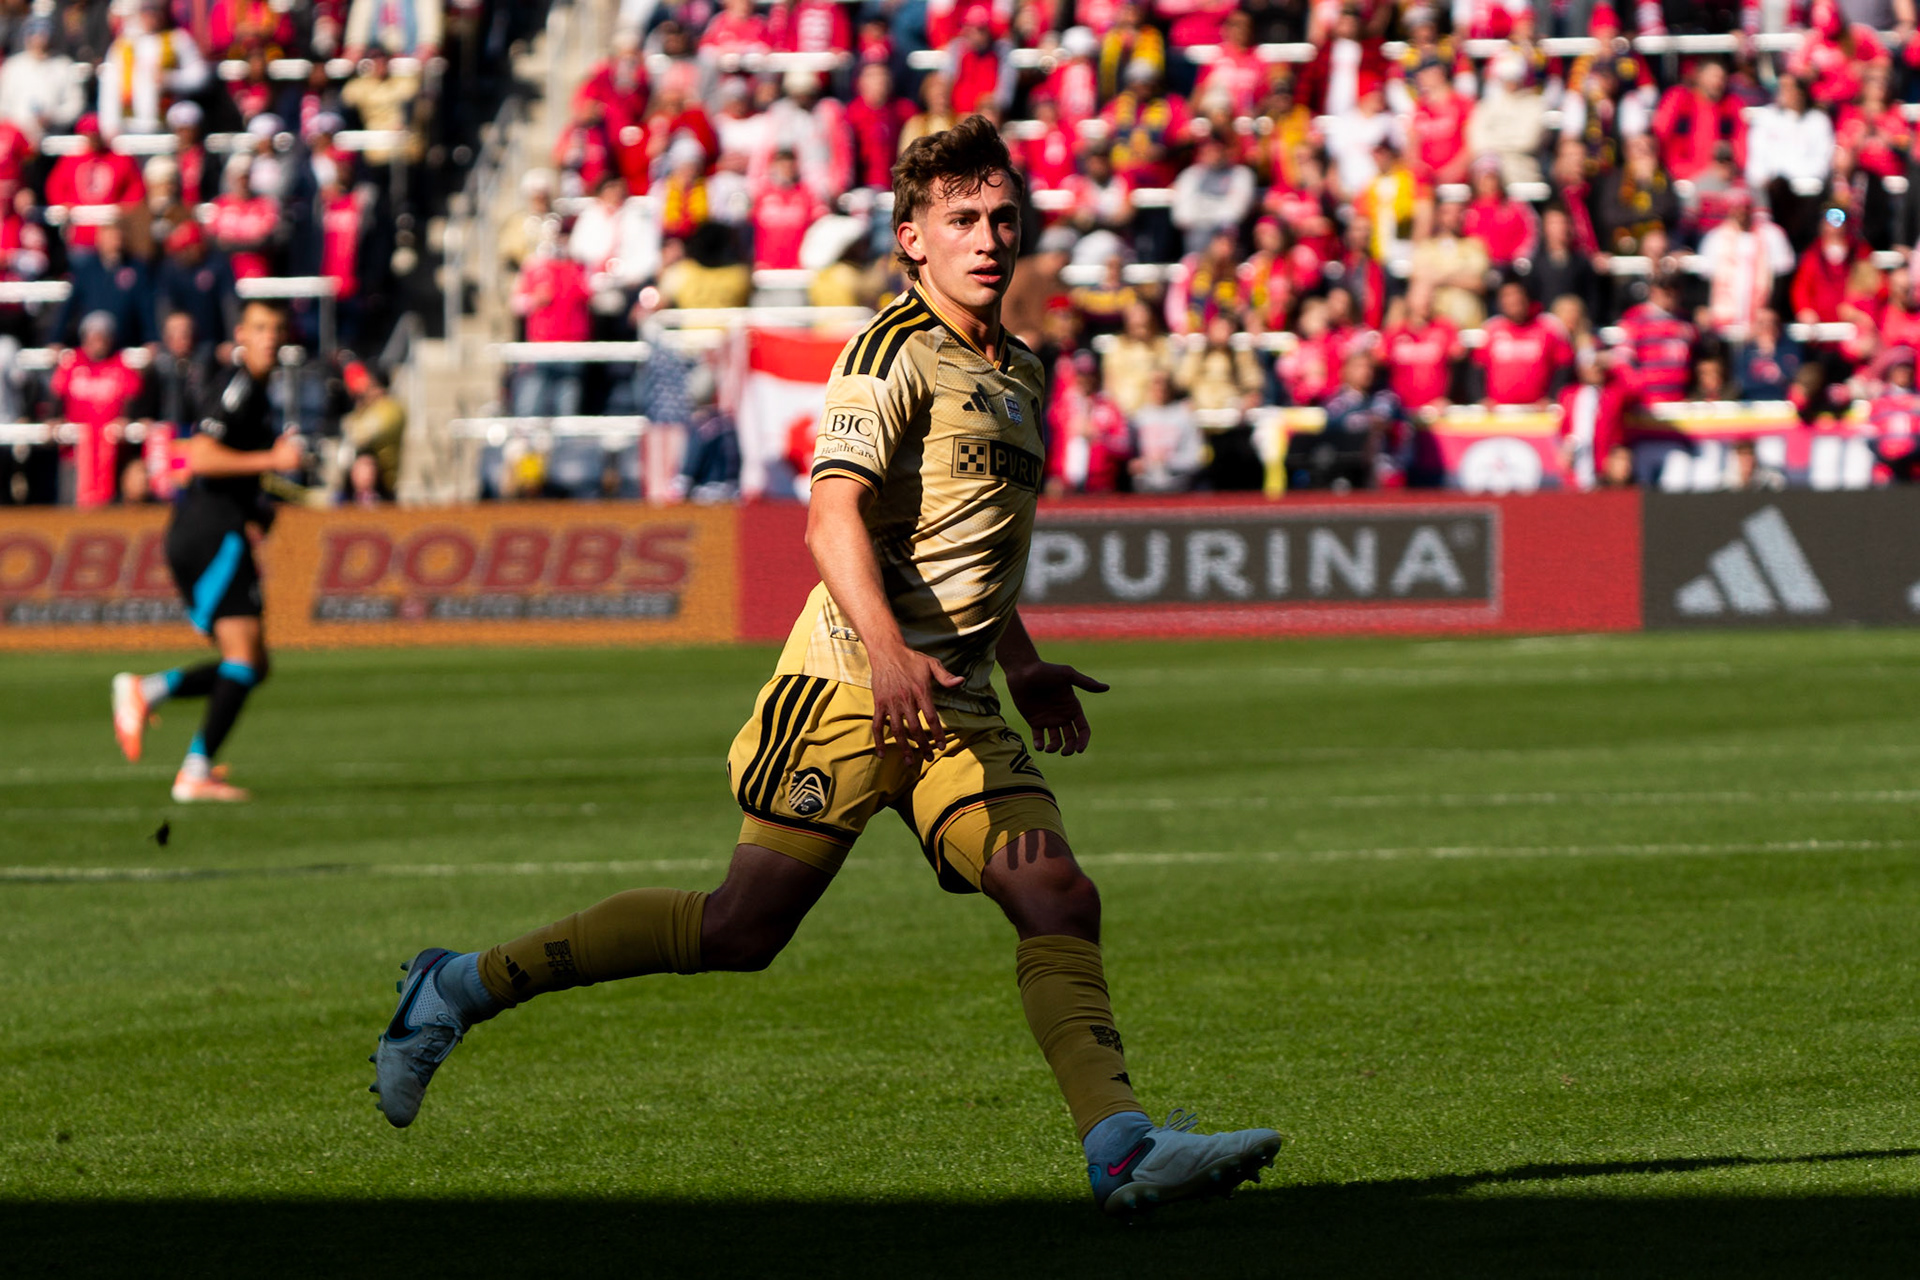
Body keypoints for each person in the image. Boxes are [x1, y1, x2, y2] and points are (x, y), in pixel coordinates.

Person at [370, 116, 1281, 1217]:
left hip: (955, 695)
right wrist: (889, 650)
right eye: (961, 221)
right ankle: (459, 984)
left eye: (1001, 218)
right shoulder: (890, 349)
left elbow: (961, 546)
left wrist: (1023, 660)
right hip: (853, 678)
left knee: (1055, 891)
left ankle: (1122, 1146)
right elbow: (832, 512)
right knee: (740, 928)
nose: (988, 239)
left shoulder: (1021, 370)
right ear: (912, 239)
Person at [111, 300, 303, 803]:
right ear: (241, 333)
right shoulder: (238, 385)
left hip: (219, 526)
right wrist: (274, 458)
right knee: (242, 656)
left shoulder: (257, 391)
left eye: (277, 329)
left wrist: (260, 508)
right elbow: (199, 455)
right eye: (260, 328)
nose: (270, 338)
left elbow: (230, 470)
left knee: (253, 664)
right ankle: (192, 771)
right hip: (207, 532)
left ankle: (149, 695)